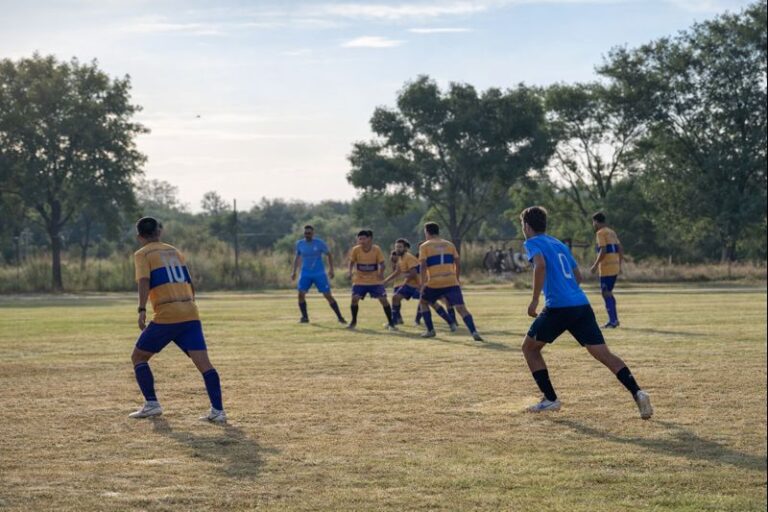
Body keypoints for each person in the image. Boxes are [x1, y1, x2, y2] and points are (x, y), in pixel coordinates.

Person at [519, 206, 652, 418]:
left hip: (558, 307)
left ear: (526, 226)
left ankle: (550, 399)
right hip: (581, 305)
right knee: (604, 355)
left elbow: (540, 265)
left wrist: (535, 300)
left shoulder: (532, 242)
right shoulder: (559, 243)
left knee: (529, 348)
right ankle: (638, 392)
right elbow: (578, 277)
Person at [129, 217, 226, 423]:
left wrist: (141, 308)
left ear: (139, 236)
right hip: (190, 312)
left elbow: (144, 280)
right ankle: (218, 411)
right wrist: (189, 305)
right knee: (204, 364)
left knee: (138, 357)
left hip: (167, 315)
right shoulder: (175, 251)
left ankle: (152, 404)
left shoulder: (142, 254)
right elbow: (190, 283)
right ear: (159, 232)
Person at [417, 222, 483, 342]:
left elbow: (423, 266)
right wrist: (456, 278)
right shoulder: (449, 244)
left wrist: (422, 284)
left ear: (427, 232)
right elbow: (457, 262)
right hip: (451, 281)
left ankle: (430, 330)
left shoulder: (424, 246)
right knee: (461, 308)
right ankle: (474, 332)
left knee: (423, 302)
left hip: (434, 282)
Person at [383, 238, 457, 330]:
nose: (398, 249)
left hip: (418, 285)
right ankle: (393, 323)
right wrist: (385, 281)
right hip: (409, 285)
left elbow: (413, 273)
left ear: (405, 248)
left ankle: (451, 323)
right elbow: (397, 272)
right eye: (396, 247)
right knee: (395, 297)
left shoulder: (408, 257)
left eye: (400, 247)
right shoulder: (400, 258)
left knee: (432, 303)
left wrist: (405, 279)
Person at [290, 225, 346, 324]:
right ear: (304, 234)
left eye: (309, 233)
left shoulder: (319, 243)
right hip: (305, 273)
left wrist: (331, 269)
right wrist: (294, 271)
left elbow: (329, 255)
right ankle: (305, 317)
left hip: (319, 273)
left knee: (327, 295)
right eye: (306, 233)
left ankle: (340, 317)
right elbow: (297, 257)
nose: (307, 235)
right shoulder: (300, 244)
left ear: (313, 233)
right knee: (300, 294)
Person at [347, 230, 396, 330]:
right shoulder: (356, 250)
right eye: (359, 239)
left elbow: (382, 263)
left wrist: (381, 273)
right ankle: (353, 321)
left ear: (369, 239)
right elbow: (351, 262)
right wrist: (350, 272)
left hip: (375, 281)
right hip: (360, 280)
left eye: (363, 238)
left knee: (384, 300)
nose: (361, 241)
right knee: (354, 299)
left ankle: (391, 323)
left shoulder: (376, 249)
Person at [590, 212, 623, 328]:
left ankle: (613, 321)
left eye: (593, 222)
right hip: (614, 267)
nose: (593, 225)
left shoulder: (600, 233)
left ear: (597, 222)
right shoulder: (611, 232)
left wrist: (595, 265)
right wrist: (620, 264)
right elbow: (620, 248)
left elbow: (603, 250)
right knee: (608, 292)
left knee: (606, 292)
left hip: (606, 268)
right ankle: (614, 320)